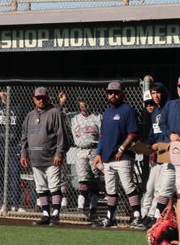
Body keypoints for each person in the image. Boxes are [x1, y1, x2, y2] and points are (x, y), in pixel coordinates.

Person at [92, 80, 144, 229]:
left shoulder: (127, 110)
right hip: (108, 157)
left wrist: (122, 148)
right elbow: (102, 136)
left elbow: (133, 133)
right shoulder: (107, 112)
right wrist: (98, 153)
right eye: (110, 92)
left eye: (116, 92)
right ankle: (111, 217)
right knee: (110, 189)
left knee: (128, 186)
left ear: (122, 93)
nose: (112, 95)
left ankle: (137, 216)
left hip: (123, 156)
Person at [19, 86, 68, 226]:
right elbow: (24, 136)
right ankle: (46, 214)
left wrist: (59, 153)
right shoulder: (29, 116)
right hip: (35, 159)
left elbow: (61, 135)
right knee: (40, 187)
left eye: (43, 98)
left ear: (47, 98)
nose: (40, 100)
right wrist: (23, 153)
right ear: (33, 99)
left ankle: (56, 214)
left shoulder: (54, 112)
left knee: (54, 186)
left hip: (51, 158)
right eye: (38, 98)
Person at [64, 95, 102, 223]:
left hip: (94, 149)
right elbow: (60, 115)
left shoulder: (98, 117)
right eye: (81, 104)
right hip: (80, 150)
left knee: (95, 179)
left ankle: (93, 208)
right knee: (83, 179)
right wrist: (62, 103)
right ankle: (81, 208)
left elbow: (103, 134)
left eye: (85, 104)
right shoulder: (73, 118)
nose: (83, 106)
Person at [140, 80, 173, 225]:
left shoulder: (169, 107)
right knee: (150, 188)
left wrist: (161, 145)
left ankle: (154, 215)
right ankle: (146, 214)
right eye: (153, 93)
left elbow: (170, 132)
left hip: (167, 152)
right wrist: (146, 145)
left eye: (158, 92)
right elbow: (154, 133)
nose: (155, 96)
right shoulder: (155, 112)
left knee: (161, 188)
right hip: (157, 155)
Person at [0, 88, 23, 211]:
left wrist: (20, 144)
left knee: (14, 175)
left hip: (13, 146)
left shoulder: (18, 107)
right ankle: (4, 203)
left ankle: (15, 204)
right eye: (1, 91)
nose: (4, 93)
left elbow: (21, 127)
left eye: (6, 90)